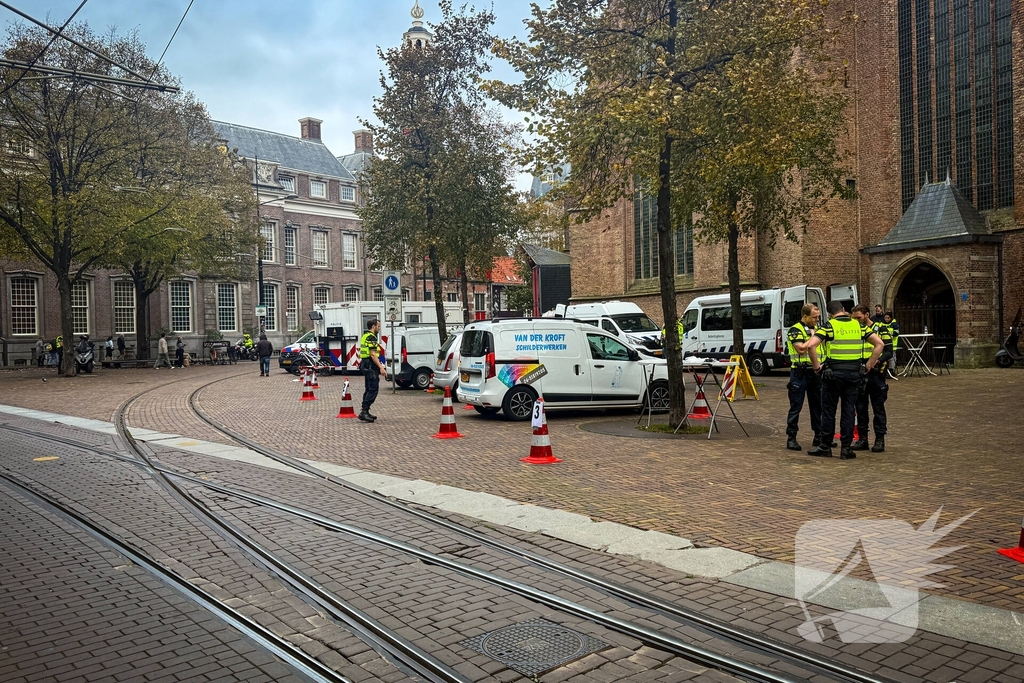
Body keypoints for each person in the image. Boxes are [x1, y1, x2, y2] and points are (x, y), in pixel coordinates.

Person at [796, 300, 883, 460]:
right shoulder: (858, 325)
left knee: (829, 411)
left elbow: (811, 346)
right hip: (854, 374)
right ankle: (846, 449)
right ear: (843, 309)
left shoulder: (829, 326)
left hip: (833, 374)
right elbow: (879, 344)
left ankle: (825, 446)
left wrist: (817, 368)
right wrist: (868, 365)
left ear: (830, 314)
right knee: (848, 410)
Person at [852, 305, 893, 452]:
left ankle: (880, 439)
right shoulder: (855, 330)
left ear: (867, 315)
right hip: (860, 373)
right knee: (860, 408)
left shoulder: (881, 329)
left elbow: (889, 351)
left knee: (878, 408)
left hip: (875, 374)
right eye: (854, 318)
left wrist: (878, 361)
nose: (856, 321)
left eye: (859, 317)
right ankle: (863, 439)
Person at [785, 304, 822, 451]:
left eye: (818, 317)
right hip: (800, 372)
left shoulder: (818, 329)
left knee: (818, 406)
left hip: (815, 372)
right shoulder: (795, 330)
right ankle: (791, 437)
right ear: (805, 316)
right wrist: (813, 337)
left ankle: (819, 436)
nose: (816, 320)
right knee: (796, 406)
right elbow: (800, 349)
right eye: (814, 317)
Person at [358, 319, 387, 422]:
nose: (379, 328)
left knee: (368, 388)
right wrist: (381, 367)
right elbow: (373, 355)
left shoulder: (365, 336)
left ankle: (365, 411)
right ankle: (364, 412)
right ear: (374, 326)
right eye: (378, 326)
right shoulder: (372, 337)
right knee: (373, 388)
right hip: (370, 365)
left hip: (365, 364)